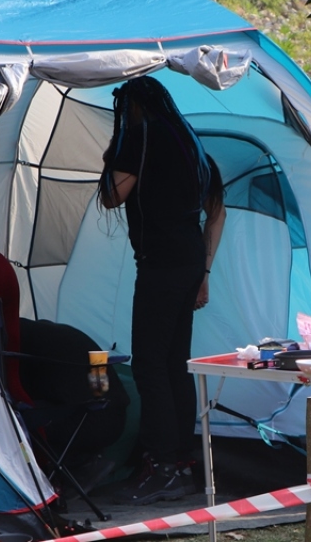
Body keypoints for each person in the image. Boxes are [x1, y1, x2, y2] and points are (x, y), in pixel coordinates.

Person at [98, 76, 226, 505]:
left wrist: (110, 158)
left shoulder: (139, 136)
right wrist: (204, 272)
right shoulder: (190, 144)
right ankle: (183, 463)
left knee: (151, 363)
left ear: (134, 106)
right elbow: (217, 211)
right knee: (174, 363)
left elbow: (114, 196)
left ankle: (161, 466)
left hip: (159, 264)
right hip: (189, 260)